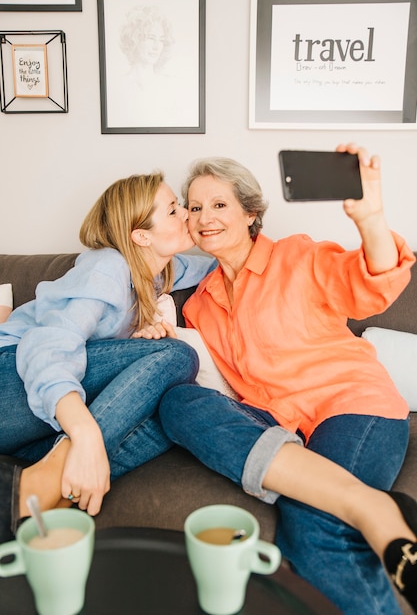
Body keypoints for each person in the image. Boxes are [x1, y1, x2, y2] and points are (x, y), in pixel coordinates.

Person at [155, 144, 417, 615]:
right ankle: (343, 492)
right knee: (177, 401)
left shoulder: (297, 256)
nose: (204, 217)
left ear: (251, 212)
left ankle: (372, 512)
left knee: (316, 526)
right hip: (279, 426)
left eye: (219, 204)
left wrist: (370, 217)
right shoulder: (197, 304)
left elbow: (370, 282)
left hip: (353, 407)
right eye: (194, 208)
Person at [0, 171, 216, 543]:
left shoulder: (160, 271)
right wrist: (83, 434)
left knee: (169, 410)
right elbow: (46, 347)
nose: (186, 214)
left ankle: (60, 498)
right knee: (176, 355)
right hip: (14, 380)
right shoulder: (108, 266)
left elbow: (223, 263)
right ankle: (46, 478)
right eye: (172, 210)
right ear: (141, 235)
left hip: (37, 422)